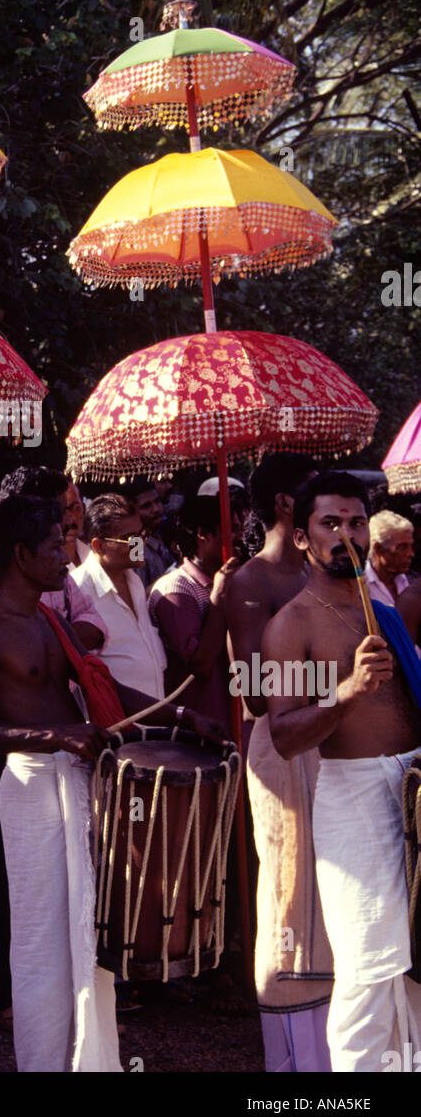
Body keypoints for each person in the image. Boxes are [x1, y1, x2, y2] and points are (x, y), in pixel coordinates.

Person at [0, 495, 219, 1072]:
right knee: (42, 937)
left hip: (75, 778)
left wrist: (178, 715)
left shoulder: (48, 618)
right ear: (20, 555)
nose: (65, 559)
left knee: (83, 931)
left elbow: (104, 688)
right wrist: (57, 736)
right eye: (52, 546)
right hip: (29, 787)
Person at [263, 471, 421, 1072]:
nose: (346, 536)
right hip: (352, 801)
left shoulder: (384, 607)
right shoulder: (289, 627)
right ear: (303, 538)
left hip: (412, 791)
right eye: (330, 524)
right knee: (366, 966)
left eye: (356, 522)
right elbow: (282, 736)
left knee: (415, 967)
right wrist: (349, 692)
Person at [224, 452, 333, 1072]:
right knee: (290, 887)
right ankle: (294, 1059)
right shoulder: (252, 582)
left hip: (336, 745)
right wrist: (331, 674)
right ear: (288, 504)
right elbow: (255, 689)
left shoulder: (333, 575)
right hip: (282, 750)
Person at [0, 466, 105, 651]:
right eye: (56, 511)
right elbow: (18, 649)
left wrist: (53, 639)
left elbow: (95, 624)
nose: (66, 520)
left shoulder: (54, 570)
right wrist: (64, 641)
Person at [148, 493, 242, 733]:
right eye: (232, 530)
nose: (238, 538)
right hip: (198, 725)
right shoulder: (175, 589)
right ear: (203, 534)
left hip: (235, 716)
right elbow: (201, 663)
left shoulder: (233, 580)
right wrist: (218, 597)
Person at [71, 494, 166, 701]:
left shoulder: (134, 581)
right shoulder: (77, 589)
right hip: (115, 725)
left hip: (155, 717)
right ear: (98, 546)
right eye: (131, 538)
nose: (140, 543)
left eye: (142, 533)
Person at [125, 476, 176, 590]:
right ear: (133, 512)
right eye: (146, 506)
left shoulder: (161, 532)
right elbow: (140, 594)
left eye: (157, 501)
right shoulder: (135, 545)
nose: (156, 509)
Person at [365, 510, 414, 606]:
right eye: (403, 547)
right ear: (378, 548)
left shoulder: (409, 580)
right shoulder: (358, 586)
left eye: (410, 546)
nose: (411, 554)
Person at [61, 481, 90, 566]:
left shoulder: (93, 556)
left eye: (76, 508)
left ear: (83, 509)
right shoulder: (41, 563)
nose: (71, 519)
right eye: (62, 510)